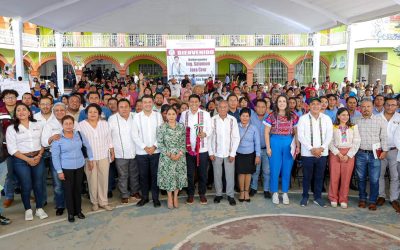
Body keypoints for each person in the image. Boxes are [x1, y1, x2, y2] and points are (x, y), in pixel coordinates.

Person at [6, 103, 48, 221]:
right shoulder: (11, 128)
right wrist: (28, 159)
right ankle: (28, 209)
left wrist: (39, 155)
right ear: (15, 114)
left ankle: (39, 208)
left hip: (38, 157)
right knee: (26, 185)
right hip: (20, 160)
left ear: (29, 112)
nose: (21, 112)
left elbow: (43, 142)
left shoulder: (38, 125)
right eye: (18, 110)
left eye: (24, 109)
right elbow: (12, 149)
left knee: (38, 184)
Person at [51, 115, 93, 222]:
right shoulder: (58, 138)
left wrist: (90, 159)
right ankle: (70, 213)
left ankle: (78, 211)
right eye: (66, 124)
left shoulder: (78, 134)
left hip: (79, 166)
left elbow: (87, 146)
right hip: (66, 168)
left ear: (73, 125)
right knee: (68, 191)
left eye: (70, 123)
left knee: (78, 189)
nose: (69, 126)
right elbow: (55, 156)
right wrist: (59, 171)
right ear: (62, 125)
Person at [77, 103, 115, 211]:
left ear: (99, 113)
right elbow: (80, 144)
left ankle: (103, 202)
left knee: (103, 179)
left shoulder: (105, 124)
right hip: (90, 158)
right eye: (90, 112)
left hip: (104, 155)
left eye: (95, 112)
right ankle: (94, 202)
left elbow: (109, 139)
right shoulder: (81, 125)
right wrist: (87, 158)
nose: (93, 114)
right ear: (86, 113)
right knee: (92, 180)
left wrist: (112, 151)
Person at [297, 97, 333, 207]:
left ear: (321, 105)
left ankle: (318, 197)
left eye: (318, 104)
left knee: (319, 176)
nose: (316, 106)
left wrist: (321, 148)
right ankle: (305, 196)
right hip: (308, 153)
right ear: (308, 106)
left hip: (322, 153)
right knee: (307, 176)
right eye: (313, 104)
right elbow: (300, 136)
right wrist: (311, 149)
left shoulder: (326, 119)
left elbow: (329, 135)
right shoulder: (303, 119)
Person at [265, 95, 299, 205]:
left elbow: (296, 133)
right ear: (276, 103)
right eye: (280, 101)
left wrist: (297, 146)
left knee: (287, 169)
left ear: (287, 103)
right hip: (275, 142)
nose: (282, 103)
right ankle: (275, 192)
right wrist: (268, 147)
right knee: (275, 169)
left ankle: (285, 193)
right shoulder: (271, 116)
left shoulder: (293, 116)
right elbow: (266, 132)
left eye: (284, 101)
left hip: (289, 143)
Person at [354, 99, 388, 211]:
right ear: (360, 108)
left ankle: (372, 201)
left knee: (374, 179)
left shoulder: (380, 120)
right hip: (360, 154)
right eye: (363, 107)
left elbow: (384, 137)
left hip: (375, 155)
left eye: (368, 106)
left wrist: (385, 151)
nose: (365, 109)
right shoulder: (355, 120)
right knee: (361, 178)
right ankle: (362, 199)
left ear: (373, 107)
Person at [179, 94, 212, 205]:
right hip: (188, 150)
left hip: (202, 149)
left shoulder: (205, 114)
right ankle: (191, 194)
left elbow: (210, 128)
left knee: (203, 173)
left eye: (195, 102)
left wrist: (205, 133)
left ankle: (202, 194)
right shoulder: (184, 114)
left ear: (199, 103)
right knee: (190, 173)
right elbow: (181, 129)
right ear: (188, 103)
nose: (193, 104)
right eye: (191, 102)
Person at [132, 95, 163, 207]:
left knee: (155, 176)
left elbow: (161, 133)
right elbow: (134, 135)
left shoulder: (158, 116)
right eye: (145, 102)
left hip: (156, 151)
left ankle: (155, 198)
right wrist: (145, 147)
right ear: (142, 104)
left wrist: (154, 147)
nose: (148, 104)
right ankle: (144, 197)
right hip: (142, 152)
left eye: (150, 102)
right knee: (143, 176)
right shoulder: (136, 117)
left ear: (153, 103)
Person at [108, 99, 141, 204]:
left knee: (134, 174)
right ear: (118, 108)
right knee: (123, 175)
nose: (124, 109)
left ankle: (134, 192)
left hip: (135, 151)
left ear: (130, 107)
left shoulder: (135, 116)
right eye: (121, 107)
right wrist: (111, 151)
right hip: (120, 152)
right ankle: (124, 194)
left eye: (126, 106)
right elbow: (108, 137)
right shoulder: (112, 119)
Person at [209, 101, 240, 206]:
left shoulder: (233, 120)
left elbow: (236, 137)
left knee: (230, 175)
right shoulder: (212, 120)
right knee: (217, 175)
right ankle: (218, 194)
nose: (222, 109)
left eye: (225, 107)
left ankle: (230, 195)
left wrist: (233, 153)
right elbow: (209, 137)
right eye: (220, 107)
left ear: (228, 108)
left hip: (229, 153)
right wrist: (211, 152)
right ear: (217, 108)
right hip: (216, 153)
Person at [328, 108, 361, 208]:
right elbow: (329, 142)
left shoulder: (353, 127)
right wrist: (338, 153)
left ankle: (343, 199)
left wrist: (348, 155)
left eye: (347, 115)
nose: (345, 117)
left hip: (349, 154)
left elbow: (357, 141)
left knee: (346, 178)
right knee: (334, 177)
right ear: (338, 116)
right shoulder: (333, 127)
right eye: (343, 115)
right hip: (335, 153)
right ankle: (333, 197)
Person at [157, 106, 187, 209]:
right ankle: (169, 197)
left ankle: (175, 197)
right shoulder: (162, 127)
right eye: (168, 114)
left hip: (180, 156)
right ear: (165, 115)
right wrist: (170, 154)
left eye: (173, 114)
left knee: (178, 177)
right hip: (167, 157)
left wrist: (179, 154)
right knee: (169, 178)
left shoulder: (181, 127)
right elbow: (160, 144)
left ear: (177, 115)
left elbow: (184, 142)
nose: (171, 116)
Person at [377, 98, 400, 212]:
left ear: (397, 106)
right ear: (384, 105)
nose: (390, 107)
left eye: (393, 105)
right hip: (380, 151)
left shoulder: (399, 118)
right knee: (379, 175)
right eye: (388, 105)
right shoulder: (376, 117)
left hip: (395, 151)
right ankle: (381, 196)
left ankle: (394, 198)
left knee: (394, 176)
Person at [236, 108, 261, 202]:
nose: (245, 118)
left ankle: (247, 191)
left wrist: (258, 155)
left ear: (250, 117)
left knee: (248, 173)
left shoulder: (253, 128)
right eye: (243, 116)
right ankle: (241, 192)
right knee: (241, 173)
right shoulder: (236, 126)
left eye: (247, 116)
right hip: (239, 154)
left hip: (250, 154)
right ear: (240, 116)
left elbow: (257, 143)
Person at [250, 99, 271, 198]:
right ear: (255, 108)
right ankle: (253, 188)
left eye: (263, 107)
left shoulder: (270, 117)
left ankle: (266, 190)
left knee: (266, 171)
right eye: (259, 106)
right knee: (255, 171)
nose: (261, 109)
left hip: (267, 149)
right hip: (254, 150)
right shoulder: (251, 117)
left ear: (266, 108)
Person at [0, 90, 18, 208]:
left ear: (16, 98)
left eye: (12, 97)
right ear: (3, 99)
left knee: (24, 173)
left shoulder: (22, 109)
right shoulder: (0, 112)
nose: (10, 99)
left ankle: (26, 193)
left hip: (22, 147)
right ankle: (9, 196)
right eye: (7, 97)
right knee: (8, 174)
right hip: (5, 148)